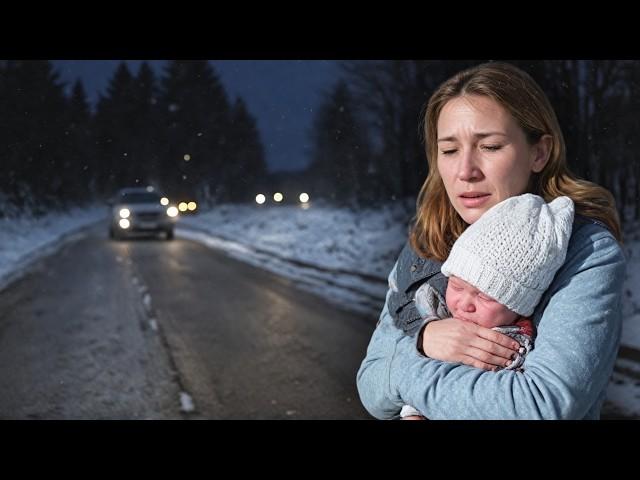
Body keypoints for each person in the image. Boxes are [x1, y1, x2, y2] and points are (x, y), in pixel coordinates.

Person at [356, 62, 626, 420]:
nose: (466, 171)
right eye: (449, 150)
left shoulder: (586, 251)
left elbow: (538, 405)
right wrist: (426, 337)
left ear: (539, 153)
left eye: (491, 146)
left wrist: (403, 367)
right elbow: (370, 387)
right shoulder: (429, 244)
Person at [399, 193, 574, 420]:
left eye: (485, 297)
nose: (464, 305)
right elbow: (415, 371)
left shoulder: (519, 350)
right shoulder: (437, 316)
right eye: (457, 286)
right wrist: (412, 413)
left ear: (519, 306)